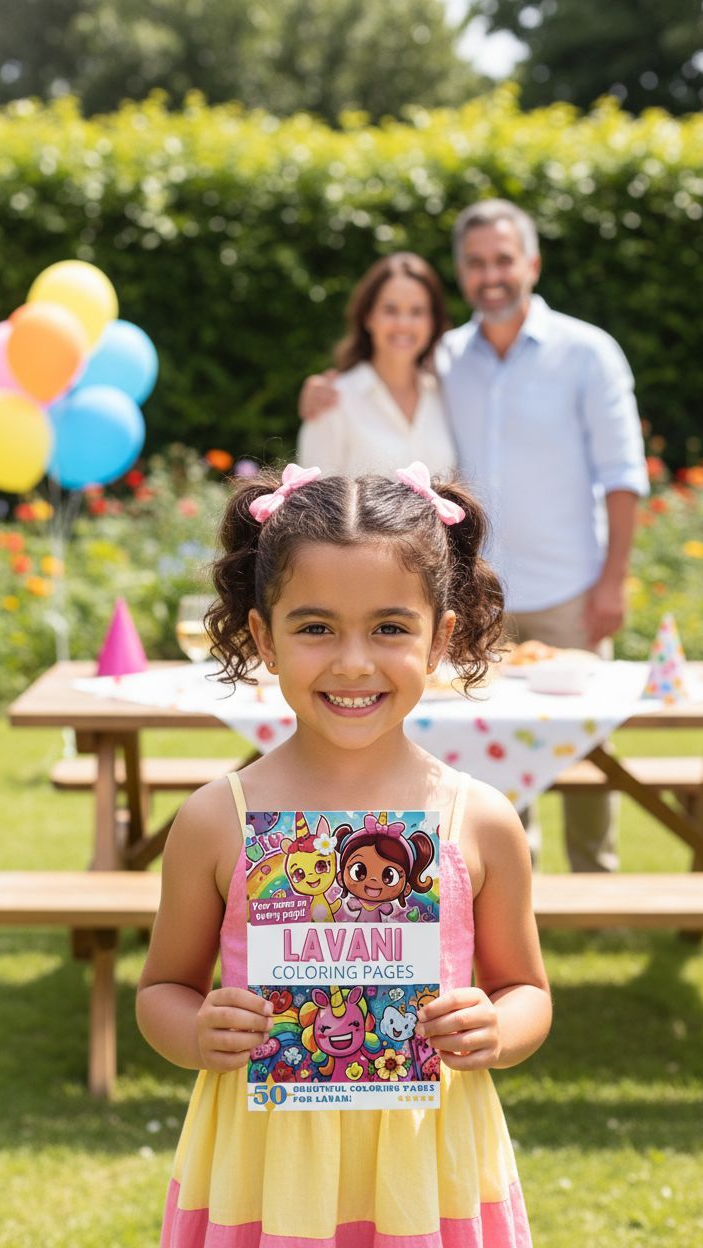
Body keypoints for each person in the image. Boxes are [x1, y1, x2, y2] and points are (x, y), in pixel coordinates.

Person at [137, 462, 552, 1247]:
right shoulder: (216, 820)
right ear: (264, 637)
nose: (354, 662)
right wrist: (197, 1031)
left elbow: (527, 989)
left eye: (390, 628)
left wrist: (496, 1027)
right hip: (267, 1171)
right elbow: (162, 986)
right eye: (316, 626)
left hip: (428, 1166)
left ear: (441, 639)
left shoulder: (482, 821)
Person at [300, 201, 649, 872]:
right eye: (477, 263)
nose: (492, 275)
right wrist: (323, 391)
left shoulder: (587, 353)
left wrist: (613, 581)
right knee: (487, 757)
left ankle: (596, 886)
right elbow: (377, 389)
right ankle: (509, 892)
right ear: (462, 273)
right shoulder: (445, 358)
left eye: (503, 260)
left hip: (569, 590)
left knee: (585, 754)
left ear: (532, 264)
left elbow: (623, 475)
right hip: (470, 596)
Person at [296, 252, 457, 477]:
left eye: (417, 311)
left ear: (433, 321)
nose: (403, 324)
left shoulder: (447, 393)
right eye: (390, 310)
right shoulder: (332, 400)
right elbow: (313, 503)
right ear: (368, 317)